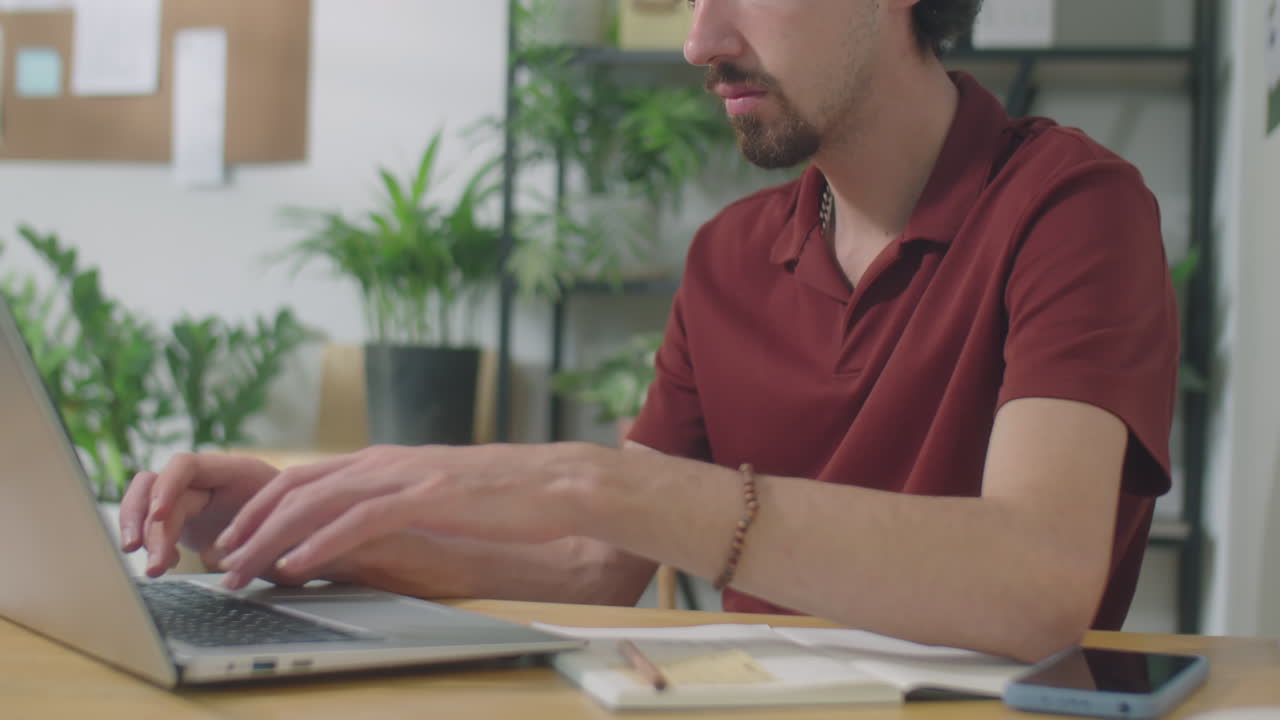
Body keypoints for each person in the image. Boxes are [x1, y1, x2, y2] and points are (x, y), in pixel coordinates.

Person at [120, 0, 1178, 663]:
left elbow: (1036, 582)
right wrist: (303, 533)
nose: (698, 40)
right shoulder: (727, 255)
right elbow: (592, 570)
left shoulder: (1072, 207)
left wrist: (610, 482)